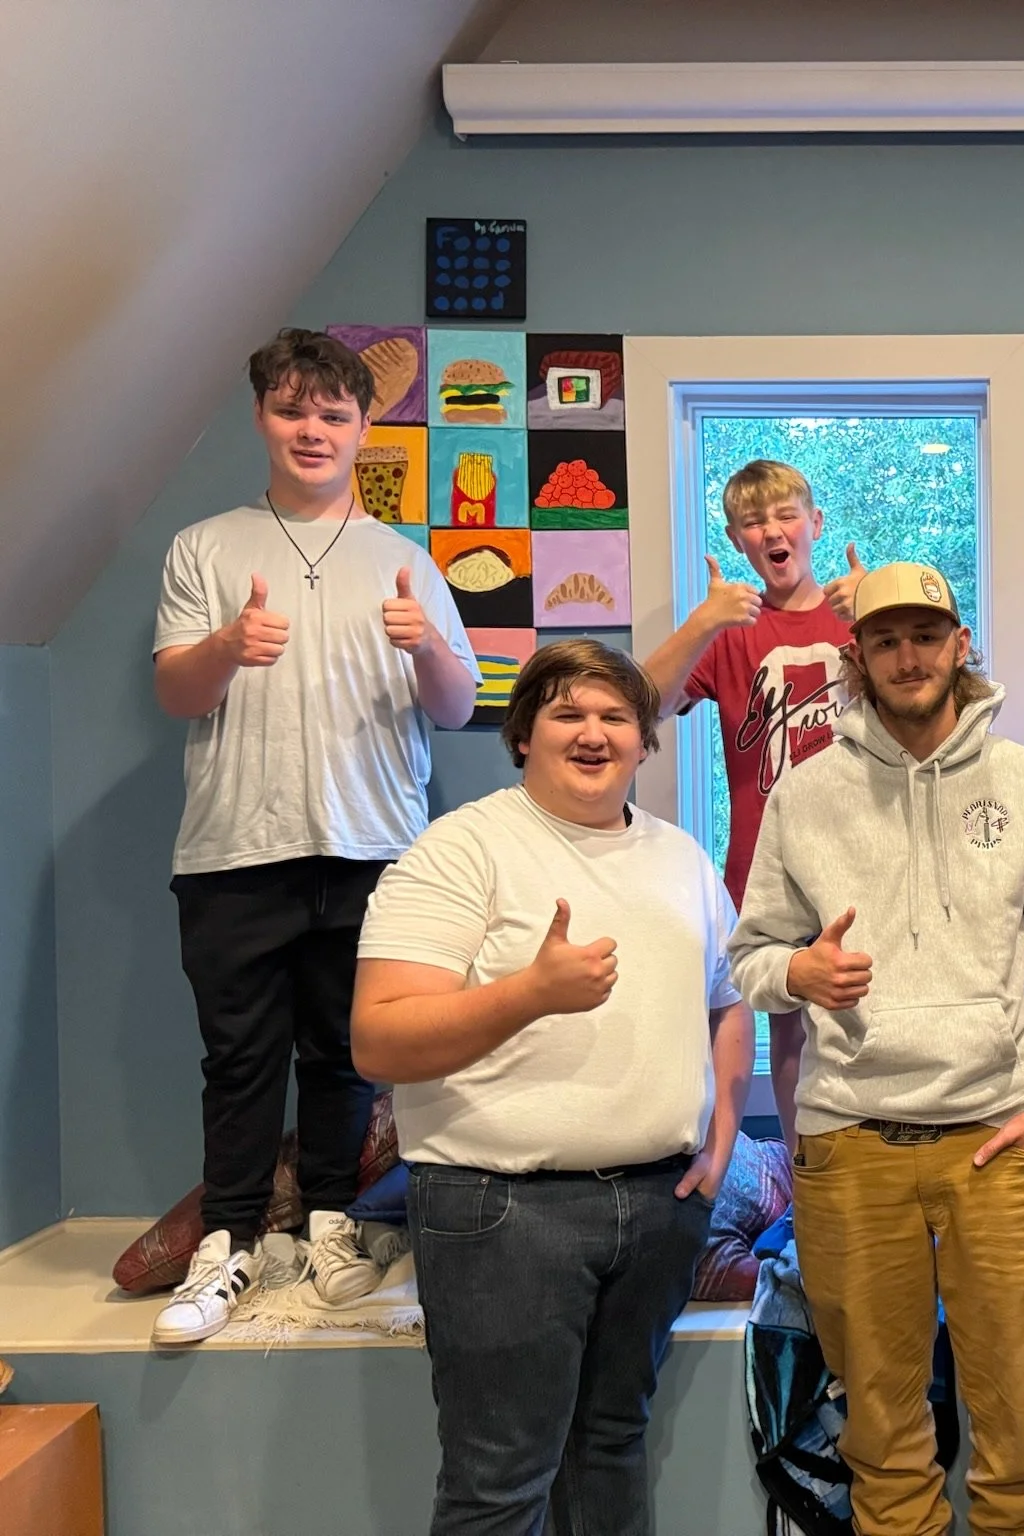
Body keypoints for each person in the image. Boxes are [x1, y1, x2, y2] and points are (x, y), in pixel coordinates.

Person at [729, 561, 1024, 1536]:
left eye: (925, 635)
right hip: (850, 1149)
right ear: (856, 658)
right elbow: (748, 957)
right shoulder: (805, 795)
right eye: (885, 639)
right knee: (883, 1447)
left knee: (1017, 1449)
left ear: (959, 645)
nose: (907, 655)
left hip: (998, 1150)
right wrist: (798, 976)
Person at [351, 639, 753, 1535]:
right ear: (523, 733)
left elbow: (731, 1001)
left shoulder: (680, 856)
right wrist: (527, 995)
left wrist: (723, 1133)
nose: (593, 733)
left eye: (616, 717)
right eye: (567, 713)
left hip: (660, 1203)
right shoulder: (459, 850)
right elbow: (378, 1037)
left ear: (646, 743)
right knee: (500, 1481)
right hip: (500, 1210)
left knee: (611, 1445)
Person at [149, 328, 478, 1345]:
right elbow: (173, 691)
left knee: (349, 1055)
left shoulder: (407, 559)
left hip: (375, 845)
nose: (312, 429)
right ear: (262, 417)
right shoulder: (205, 546)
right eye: (292, 410)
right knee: (239, 1057)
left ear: (361, 426)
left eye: (332, 414)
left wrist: (426, 644)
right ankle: (233, 1242)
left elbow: (460, 707)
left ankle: (334, 1226)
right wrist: (225, 647)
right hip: (233, 850)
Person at [644, 459, 862, 1148]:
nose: (772, 530)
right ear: (738, 542)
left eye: (786, 514)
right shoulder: (731, 629)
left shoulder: (860, 615)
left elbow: (952, 694)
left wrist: (881, 603)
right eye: (752, 522)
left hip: (866, 850)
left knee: (875, 1017)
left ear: (816, 524)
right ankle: (809, 1200)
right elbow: (640, 704)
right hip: (768, 862)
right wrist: (702, 623)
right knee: (789, 1030)